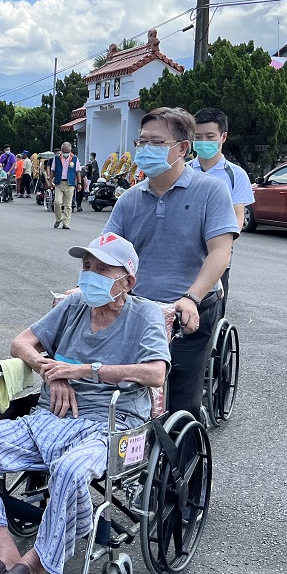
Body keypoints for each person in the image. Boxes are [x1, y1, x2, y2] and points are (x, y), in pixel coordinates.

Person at [0, 233, 169, 574]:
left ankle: (32, 571)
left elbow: (155, 373)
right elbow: (21, 342)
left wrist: (87, 371)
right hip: (49, 417)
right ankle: (6, 556)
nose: (90, 275)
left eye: (101, 269)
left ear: (127, 280)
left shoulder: (144, 315)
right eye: (86, 267)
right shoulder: (76, 304)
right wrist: (51, 371)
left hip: (111, 427)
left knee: (68, 471)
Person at [104, 107, 237, 416]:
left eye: (157, 143)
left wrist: (191, 297)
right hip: (139, 309)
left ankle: (183, 457)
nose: (146, 149)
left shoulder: (211, 190)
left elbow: (220, 251)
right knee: (124, 391)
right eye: (141, 142)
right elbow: (108, 252)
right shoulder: (129, 199)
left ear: (182, 148)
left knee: (179, 398)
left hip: (191, 310)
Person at [189, 108, 253, 312]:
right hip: (184, 259)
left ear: (223, 137)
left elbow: (238, 219)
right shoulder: (183, 171)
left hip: (218, 261)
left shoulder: (237, 175)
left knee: (211, 316)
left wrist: (217, 245)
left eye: (210, 137)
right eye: (198, 137)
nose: (203, 142)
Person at [48, 142, 80, 229]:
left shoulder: (74, 159)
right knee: (57, 202)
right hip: (59, 183)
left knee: (68, 204)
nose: (65, 153)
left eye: (67, 151)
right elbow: (52, 170)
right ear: (61, 150)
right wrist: (50, 180)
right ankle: (58, 219)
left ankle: (66, 223)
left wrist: (79, 183)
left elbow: (78, 171)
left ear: (70, 150)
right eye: (64, 151)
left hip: (70, 183)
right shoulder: (57, 158)